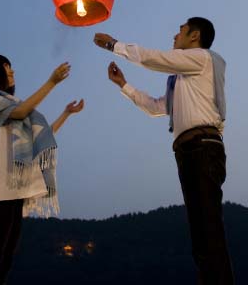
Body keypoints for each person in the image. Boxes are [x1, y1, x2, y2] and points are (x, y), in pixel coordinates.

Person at [94, 18, 233, 285]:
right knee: (201, 235)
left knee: (208, 231)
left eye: (180, 31)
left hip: (203, 148)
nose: (174, 35)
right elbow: (157, 107)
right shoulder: (183, 79)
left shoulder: (201, 58)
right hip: (189, 151)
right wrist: (124, 85)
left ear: (195, 36)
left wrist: (114, 45)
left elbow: (154, 59)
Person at [0, 54, 84, 285]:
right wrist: (51, 82)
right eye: (5, 67)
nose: (11, 71)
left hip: (15, 189)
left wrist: (66, 114)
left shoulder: (15, 106)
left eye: (11, 68)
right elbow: (21, 112)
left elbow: (42, 136)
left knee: (7, 256)